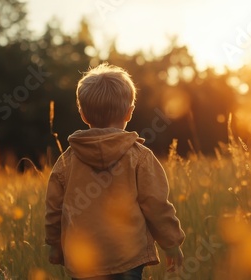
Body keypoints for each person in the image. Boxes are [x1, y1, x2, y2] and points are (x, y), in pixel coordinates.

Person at [45, 63, 185, 280]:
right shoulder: (140, 157)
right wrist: (172, 243)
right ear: (129, 112)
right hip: (127, 258)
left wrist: (54, 244)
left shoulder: (66, 161)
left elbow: (54, 208)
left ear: (82, 114)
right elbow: (156, 205)